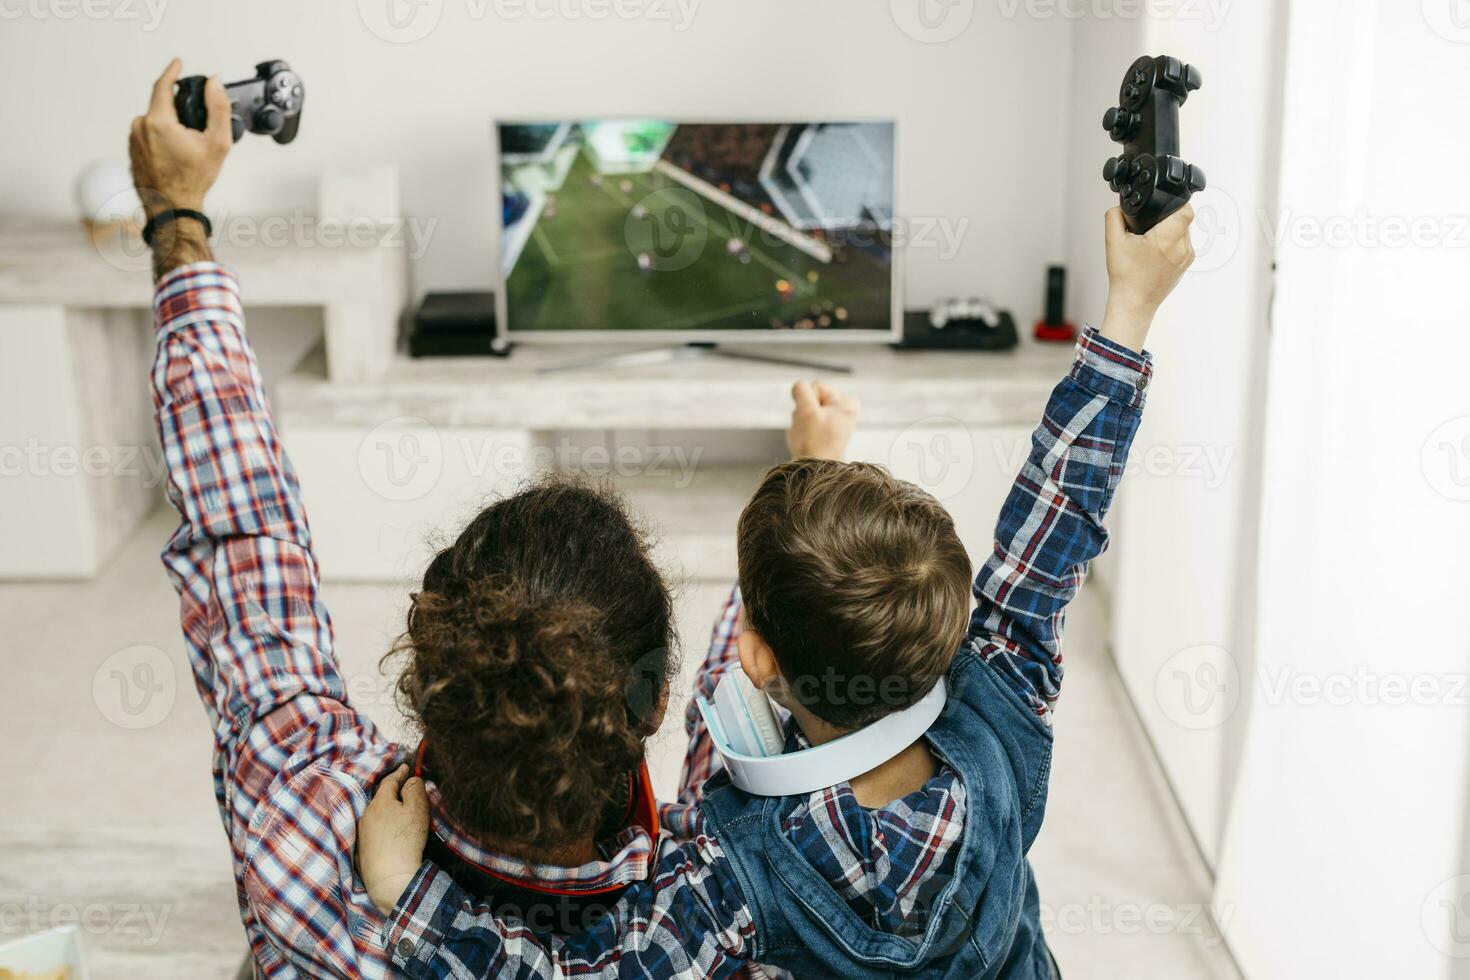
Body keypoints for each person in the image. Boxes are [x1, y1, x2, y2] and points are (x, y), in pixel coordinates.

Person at [130, 60, 1002, 978]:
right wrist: (807, 481)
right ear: (655, 701)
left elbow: (242, 536)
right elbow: (731, 722)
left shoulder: (300, 805)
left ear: (429, 675)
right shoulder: (715, 908)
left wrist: (176, 219)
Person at [356, 160, 1196, 980]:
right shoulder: (1008, 693)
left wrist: (406, 894)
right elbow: (1058, 509)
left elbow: (574, 969)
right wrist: (1132, 302)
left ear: (756, 659)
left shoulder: (725, 878)